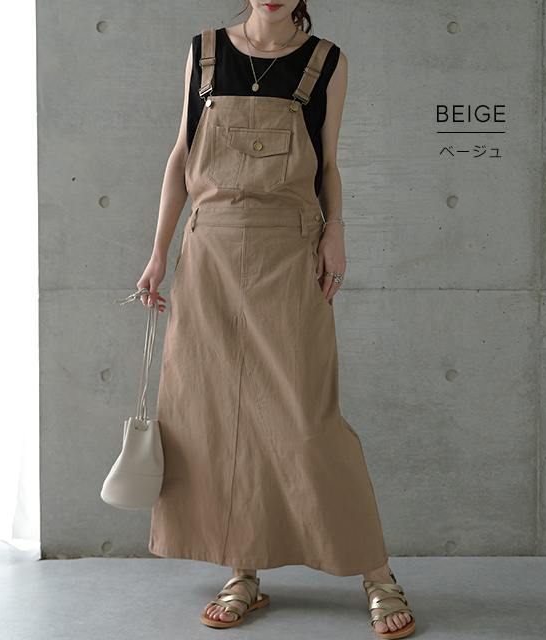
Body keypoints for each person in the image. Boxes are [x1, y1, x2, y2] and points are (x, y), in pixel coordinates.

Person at [136, 1, 415, 637]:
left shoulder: (326, 61)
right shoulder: (205, 51)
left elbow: (328, 162)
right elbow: (181, 156)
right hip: (209, 255)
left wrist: (335, 232)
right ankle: (243, 572)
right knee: (220, 418)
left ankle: (377, 574)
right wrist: (157, 255)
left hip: (289, 252)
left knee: (308, 420)